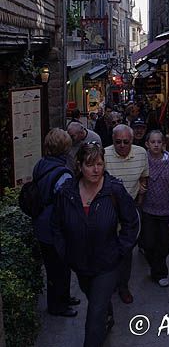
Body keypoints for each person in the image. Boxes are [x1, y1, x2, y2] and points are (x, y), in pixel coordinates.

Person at [52, 142, 139, 347]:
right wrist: (65, 253)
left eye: (100, 164)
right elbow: (57, 226)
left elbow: (131, 222)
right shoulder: (66, 193)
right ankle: (107, 313)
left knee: (94, 314)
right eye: (90, 164)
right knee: (95, 299)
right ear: (80, 166)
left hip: (107, 263)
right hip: (80, 264)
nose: (96, 169)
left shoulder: (113, 191)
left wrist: (120, 250)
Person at [32, 128, 79, 317]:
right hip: (54, 227)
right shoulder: (63, 173)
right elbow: (67, 205)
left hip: (41, 221)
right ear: (65, 147)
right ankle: (57, 306)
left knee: (58, 265)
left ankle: (64, 297)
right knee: (58, 267)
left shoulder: (40, 164)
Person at [104, 124, 149, 304]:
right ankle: (108, 283)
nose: (122, 145)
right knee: (108, 248)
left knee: (126, 250)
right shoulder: (104, 154)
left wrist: (139, 201)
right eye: (118, 142)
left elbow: (143, 178)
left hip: (129, 210)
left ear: (132, 140)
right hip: (108, 208)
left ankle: (123, 285)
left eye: (126, 142)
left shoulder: (141, 153)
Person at [141, 130, 169, 287]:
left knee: (163, 245)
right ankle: (156, 268)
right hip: (148, 211)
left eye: (159, 142)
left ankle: (160, 272)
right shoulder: (143, 160)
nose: (156, 145)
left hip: (165, 212)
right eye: (153, 142)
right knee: (149, 244)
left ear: (163, 144)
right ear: (147, 144)